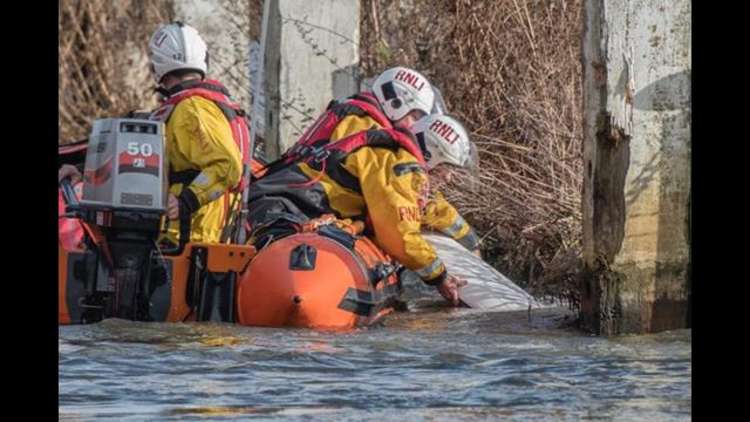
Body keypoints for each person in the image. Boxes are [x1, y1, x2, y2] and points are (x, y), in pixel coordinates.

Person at [247, 113, 478, 306]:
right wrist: (440, 276)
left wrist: (469, 241)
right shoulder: (401, 167)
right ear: (431, 155)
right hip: (285, 208)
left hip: (284, 200)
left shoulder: (393, 156)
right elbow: (398, 235)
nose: (448, 178)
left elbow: (430, 207)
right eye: (447, 168)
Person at [59, 22, 248, 245]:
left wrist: (185, 200)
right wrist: (84, 173)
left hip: (188, 241)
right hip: (181, 241)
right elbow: (138, 165)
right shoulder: (195, 107)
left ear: (157, 65)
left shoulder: (193, 109)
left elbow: (227, 165)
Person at [260, 66, 481, 255]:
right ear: (396, 103)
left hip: (291, 200)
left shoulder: (355, 116)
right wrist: (467, 239)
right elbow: (403, 198)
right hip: (298, 208)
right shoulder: (373, 136)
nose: (414, 127)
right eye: (415, 116)